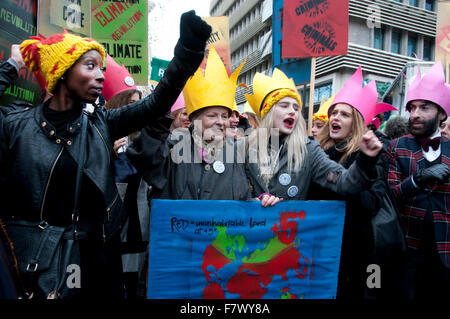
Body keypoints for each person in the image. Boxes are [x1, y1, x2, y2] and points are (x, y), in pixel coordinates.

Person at [0, 10, 212, 299]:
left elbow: (156, 102)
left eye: (101, 67)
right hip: (37, 265)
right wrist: (12, 65)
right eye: (90, 66)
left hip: (98, 263)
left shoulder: (102, 124)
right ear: (61, 72)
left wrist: (188, 52)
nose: (101, 75)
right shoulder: (15, 126)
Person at [127, 45, 280, 206]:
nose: (220, 121)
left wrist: (263, 200)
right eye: (212, 115)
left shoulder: (238, 156)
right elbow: (142, 157)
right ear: (195, 119)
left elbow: (248, 200)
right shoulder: (173, 149)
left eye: (224, 116)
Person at [312, 66, 398, 299]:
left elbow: (371, 203)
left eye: (344, 114)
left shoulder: (370, 156)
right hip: (319, 242)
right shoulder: (316, 152)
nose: (335, 118)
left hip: (354, 248)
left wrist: (356, 174)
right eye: (334, 112)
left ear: (357, 122)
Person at [243, 68, 383, 205]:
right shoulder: (244, 147)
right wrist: (253, 202)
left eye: (296, 108)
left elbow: (342, 181)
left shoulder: (308, 150)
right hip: (252, 226)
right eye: (284, 106)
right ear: (268, 113)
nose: (292, 111)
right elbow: (233, 193)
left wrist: (366, 159)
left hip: (289, 227)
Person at [386, 61, 450, 300]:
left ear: (442, 113)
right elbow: (390, 196)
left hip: (445, 253)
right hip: (408, 250)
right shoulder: (397, 147)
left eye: (424, 108)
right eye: (412, 108)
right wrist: (417, 179)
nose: (415, 114)